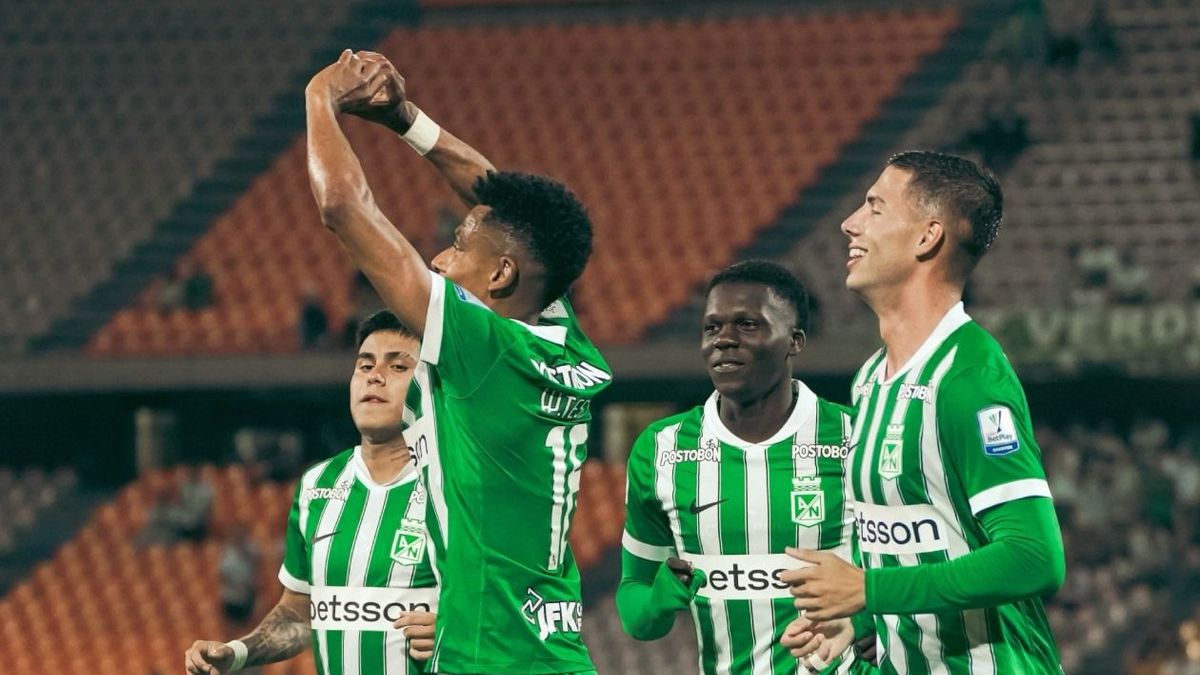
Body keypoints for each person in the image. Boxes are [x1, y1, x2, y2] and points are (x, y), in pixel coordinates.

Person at [305, 50, 609, 674]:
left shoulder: (484, 349)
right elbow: (513, 212)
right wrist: (404, 119)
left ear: (499, 276)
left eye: (458, 246)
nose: (440, 258)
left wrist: (319, 96)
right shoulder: (556, 332)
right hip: (553, 655)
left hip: (487, 658)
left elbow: (343, 207)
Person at [780, 151, 1065, 673]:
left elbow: (1034, 556)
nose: (850, 223)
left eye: (875, 208)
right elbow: (906, 540)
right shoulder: (871, 379)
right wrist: (858, 619)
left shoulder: (969, 376)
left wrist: (868, 590)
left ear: (926, 237)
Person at [618, 261, 872, 674]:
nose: (724, 340)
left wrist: (865, 618)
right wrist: (659, 600)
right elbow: (635, 608)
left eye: (747, 325)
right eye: (712, 327)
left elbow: (909, 573)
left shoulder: (854, 436)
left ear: (795, 340)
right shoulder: (661, 448)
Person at [185, 311, 437, 675]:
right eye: (364, 366)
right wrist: (236, 653)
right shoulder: (318, 484)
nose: (375, 376)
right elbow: (299, 614)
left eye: (398, 368)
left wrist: (454, 627)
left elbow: (518, 603)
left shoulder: (457, 484)